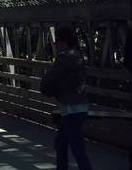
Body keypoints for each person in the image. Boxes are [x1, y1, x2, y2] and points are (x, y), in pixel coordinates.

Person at [40, 26, 93, 170]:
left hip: (71, 109)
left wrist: (46, 87)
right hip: (76, 107)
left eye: (57, 41)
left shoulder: (65, 58)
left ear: (64, 42)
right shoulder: (78, 56)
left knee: (78, 149)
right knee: (61, 144)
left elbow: (49, 79)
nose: (55, 44)